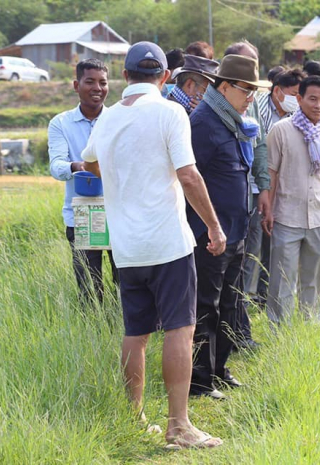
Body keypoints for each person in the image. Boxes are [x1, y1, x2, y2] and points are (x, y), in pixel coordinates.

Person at [81, 42, 225, 450]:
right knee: (180, 328)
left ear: (125, 76)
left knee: (136, 332)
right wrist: (214, 227)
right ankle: (179, 425)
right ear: (165, 77)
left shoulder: (107, 119)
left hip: (126, 247)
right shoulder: (170, 112)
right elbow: (189, 175)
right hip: (167, 243)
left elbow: (89, 162)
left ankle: (135, 418)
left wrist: (118, 177)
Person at [187, 54, 271, 399]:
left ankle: (219, 369)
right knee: (205, 306)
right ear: (223, 87)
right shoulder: (203, 123)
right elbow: (188, 179)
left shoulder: (233, 119)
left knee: (230, 304)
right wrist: (208, 227)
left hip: (235, 229)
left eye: (254, 90)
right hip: (210, 234)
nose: (251, 97)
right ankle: (199, 380)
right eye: (245, 89)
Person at [264, 75, 320, 325]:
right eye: (312, 99)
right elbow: (271, 173)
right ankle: (280, 333)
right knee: (282, 281)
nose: (318, 105)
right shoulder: (281, 131)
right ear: (299, 99)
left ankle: (309, 329)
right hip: (286, 217)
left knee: (315, 282)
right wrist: (268, 210)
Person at [48, 58, 118, 304]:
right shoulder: (61, 123)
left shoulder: (118, 119)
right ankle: (93, 324)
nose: (97, 88)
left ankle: (123, 325)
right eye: (90, 82)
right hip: (81, 215)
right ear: (76, 85)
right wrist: (79, 166)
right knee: (89, 287)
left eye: (103, 83)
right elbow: (56, 166)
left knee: (126, 283)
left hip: (118, 212)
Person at [241, 68, 305, 311]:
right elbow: (260, 151)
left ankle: (265, 295)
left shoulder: (297, 114)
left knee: (275, 243)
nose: (296, 99)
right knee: (254, 243)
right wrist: (264, 189)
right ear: (277, 91)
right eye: (293, 94)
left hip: (283, 189)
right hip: (257, 187)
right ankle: (245, 298)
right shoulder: (259, 109)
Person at [222, 40, 271, 352]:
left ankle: (240, 330)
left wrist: (263, 187)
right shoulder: (214, 105)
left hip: (250, 194)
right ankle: (231, 335)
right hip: (225, 198)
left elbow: (260, 144)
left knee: (246, 262)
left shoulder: (251, 100)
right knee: (226, 269)